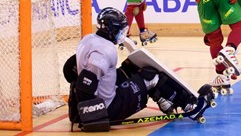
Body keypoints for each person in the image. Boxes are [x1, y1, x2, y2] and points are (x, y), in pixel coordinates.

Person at [63, 7, 214, 132]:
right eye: (121, 30)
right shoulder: (105, 49)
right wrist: (90, 118)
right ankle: (190, 107)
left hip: (102, 94)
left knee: (132, 66)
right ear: (112, 29)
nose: (122, 34)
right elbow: (86, 82)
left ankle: (169, 100)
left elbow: (69, 69)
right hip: (109, 107)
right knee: (150, 76)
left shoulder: (88, 39)